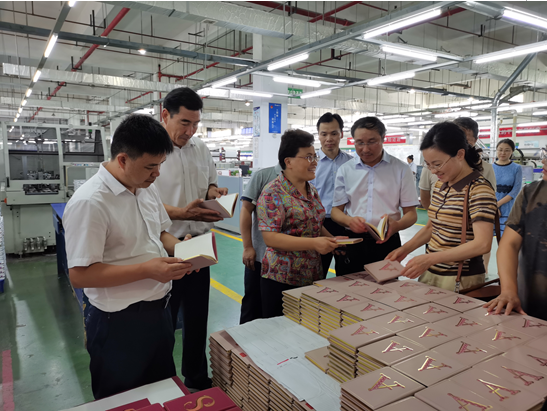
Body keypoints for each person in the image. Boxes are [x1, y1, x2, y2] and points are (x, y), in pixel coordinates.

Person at [63, 115, 194, 399]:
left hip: (159, 313)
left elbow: (160, 233)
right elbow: (80, 275)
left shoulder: (146, 187)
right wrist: (147, 270)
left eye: (160, 164)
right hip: (117, 325)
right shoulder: (90, 202)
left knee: (163, 394)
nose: (157, 173)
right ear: (122, 160)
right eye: (150, 166)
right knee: (122, 400)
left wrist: (182, 250)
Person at [155, 87, 228, 391]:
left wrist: (215, 194)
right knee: (164, 320)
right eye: (184, 122)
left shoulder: (200, 148)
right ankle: (163, 382)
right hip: (164, 247)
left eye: (196, 124)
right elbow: (143, 204)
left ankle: (196, 376)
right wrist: (183, 212)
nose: (190, 131)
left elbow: (209, 183)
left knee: (197, 317)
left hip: (199, 244)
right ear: (165, 115)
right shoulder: (150, 150)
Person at [386, 122, 498, 291]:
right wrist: (404, 250)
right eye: (428, 164)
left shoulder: (478, 190)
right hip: (432, 272)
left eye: (437, 164)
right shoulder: (441, 185)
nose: (432, 171)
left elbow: (482, 244)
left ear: (460, 154)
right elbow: (432, 227)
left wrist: (430, 259)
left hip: (460, 278)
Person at [257, 129, 339, 318]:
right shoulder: (272, 193)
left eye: (315, 156)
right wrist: (314, 243)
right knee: (280, 330)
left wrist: (333, 240)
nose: (315, 162)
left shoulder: (311, 190)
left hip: (311, 275)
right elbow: (271, 238)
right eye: (308, 157)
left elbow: (314, 223)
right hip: (282, 279)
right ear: (288, 161)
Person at [330, 116, 419, 276]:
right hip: (353, 241)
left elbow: (411, 214)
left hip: (387, 241)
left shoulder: (400, 169)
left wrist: (397, 225)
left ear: (383, 138)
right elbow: (336, 211)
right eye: (359, 143)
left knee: (387, 287)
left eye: (372, 142)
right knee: (348, 287)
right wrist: (349, 221)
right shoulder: (346, 170)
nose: (365, 149)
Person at [484, 148, 547, 319]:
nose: (544, 161)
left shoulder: (516, 169)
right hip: (529, 306)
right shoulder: (531, 193)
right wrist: (508, 290)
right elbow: (509, 245)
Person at [419, 117, 496, 210]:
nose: (434, 171)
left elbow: (488, 203)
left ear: (475, 140)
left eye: (465, 140)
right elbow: (425, 195)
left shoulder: (482, 182)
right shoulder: (435, 173)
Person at [310, 112, 353, 277]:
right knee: (317, 273)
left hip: (346, 224)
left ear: (341, 134)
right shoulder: (310, 164)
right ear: (318, 135)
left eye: (334, 133)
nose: (329, 138)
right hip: (319, 224)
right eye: (324, 134)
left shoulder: (352, 163)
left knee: (346, 273)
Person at [239, 163, 281, 324]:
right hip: (261, 256)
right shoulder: (263, 176)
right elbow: (246, 210)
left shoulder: (305, 181)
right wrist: (248, 246)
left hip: (286, 262)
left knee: (274, 310)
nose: (312, 162)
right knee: (253, 304)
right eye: (307, 156)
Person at [493, 138, 522, 235]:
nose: (503, 153)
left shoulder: (517, 168)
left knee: (505, 237)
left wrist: (497, 204)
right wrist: (493, 206)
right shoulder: (490, 168)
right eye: (500, 150)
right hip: (490, 206)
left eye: (507, 150)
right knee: (486, 238)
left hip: (508, 208)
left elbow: (515, 190)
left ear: (512, 151)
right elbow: (486, 189)